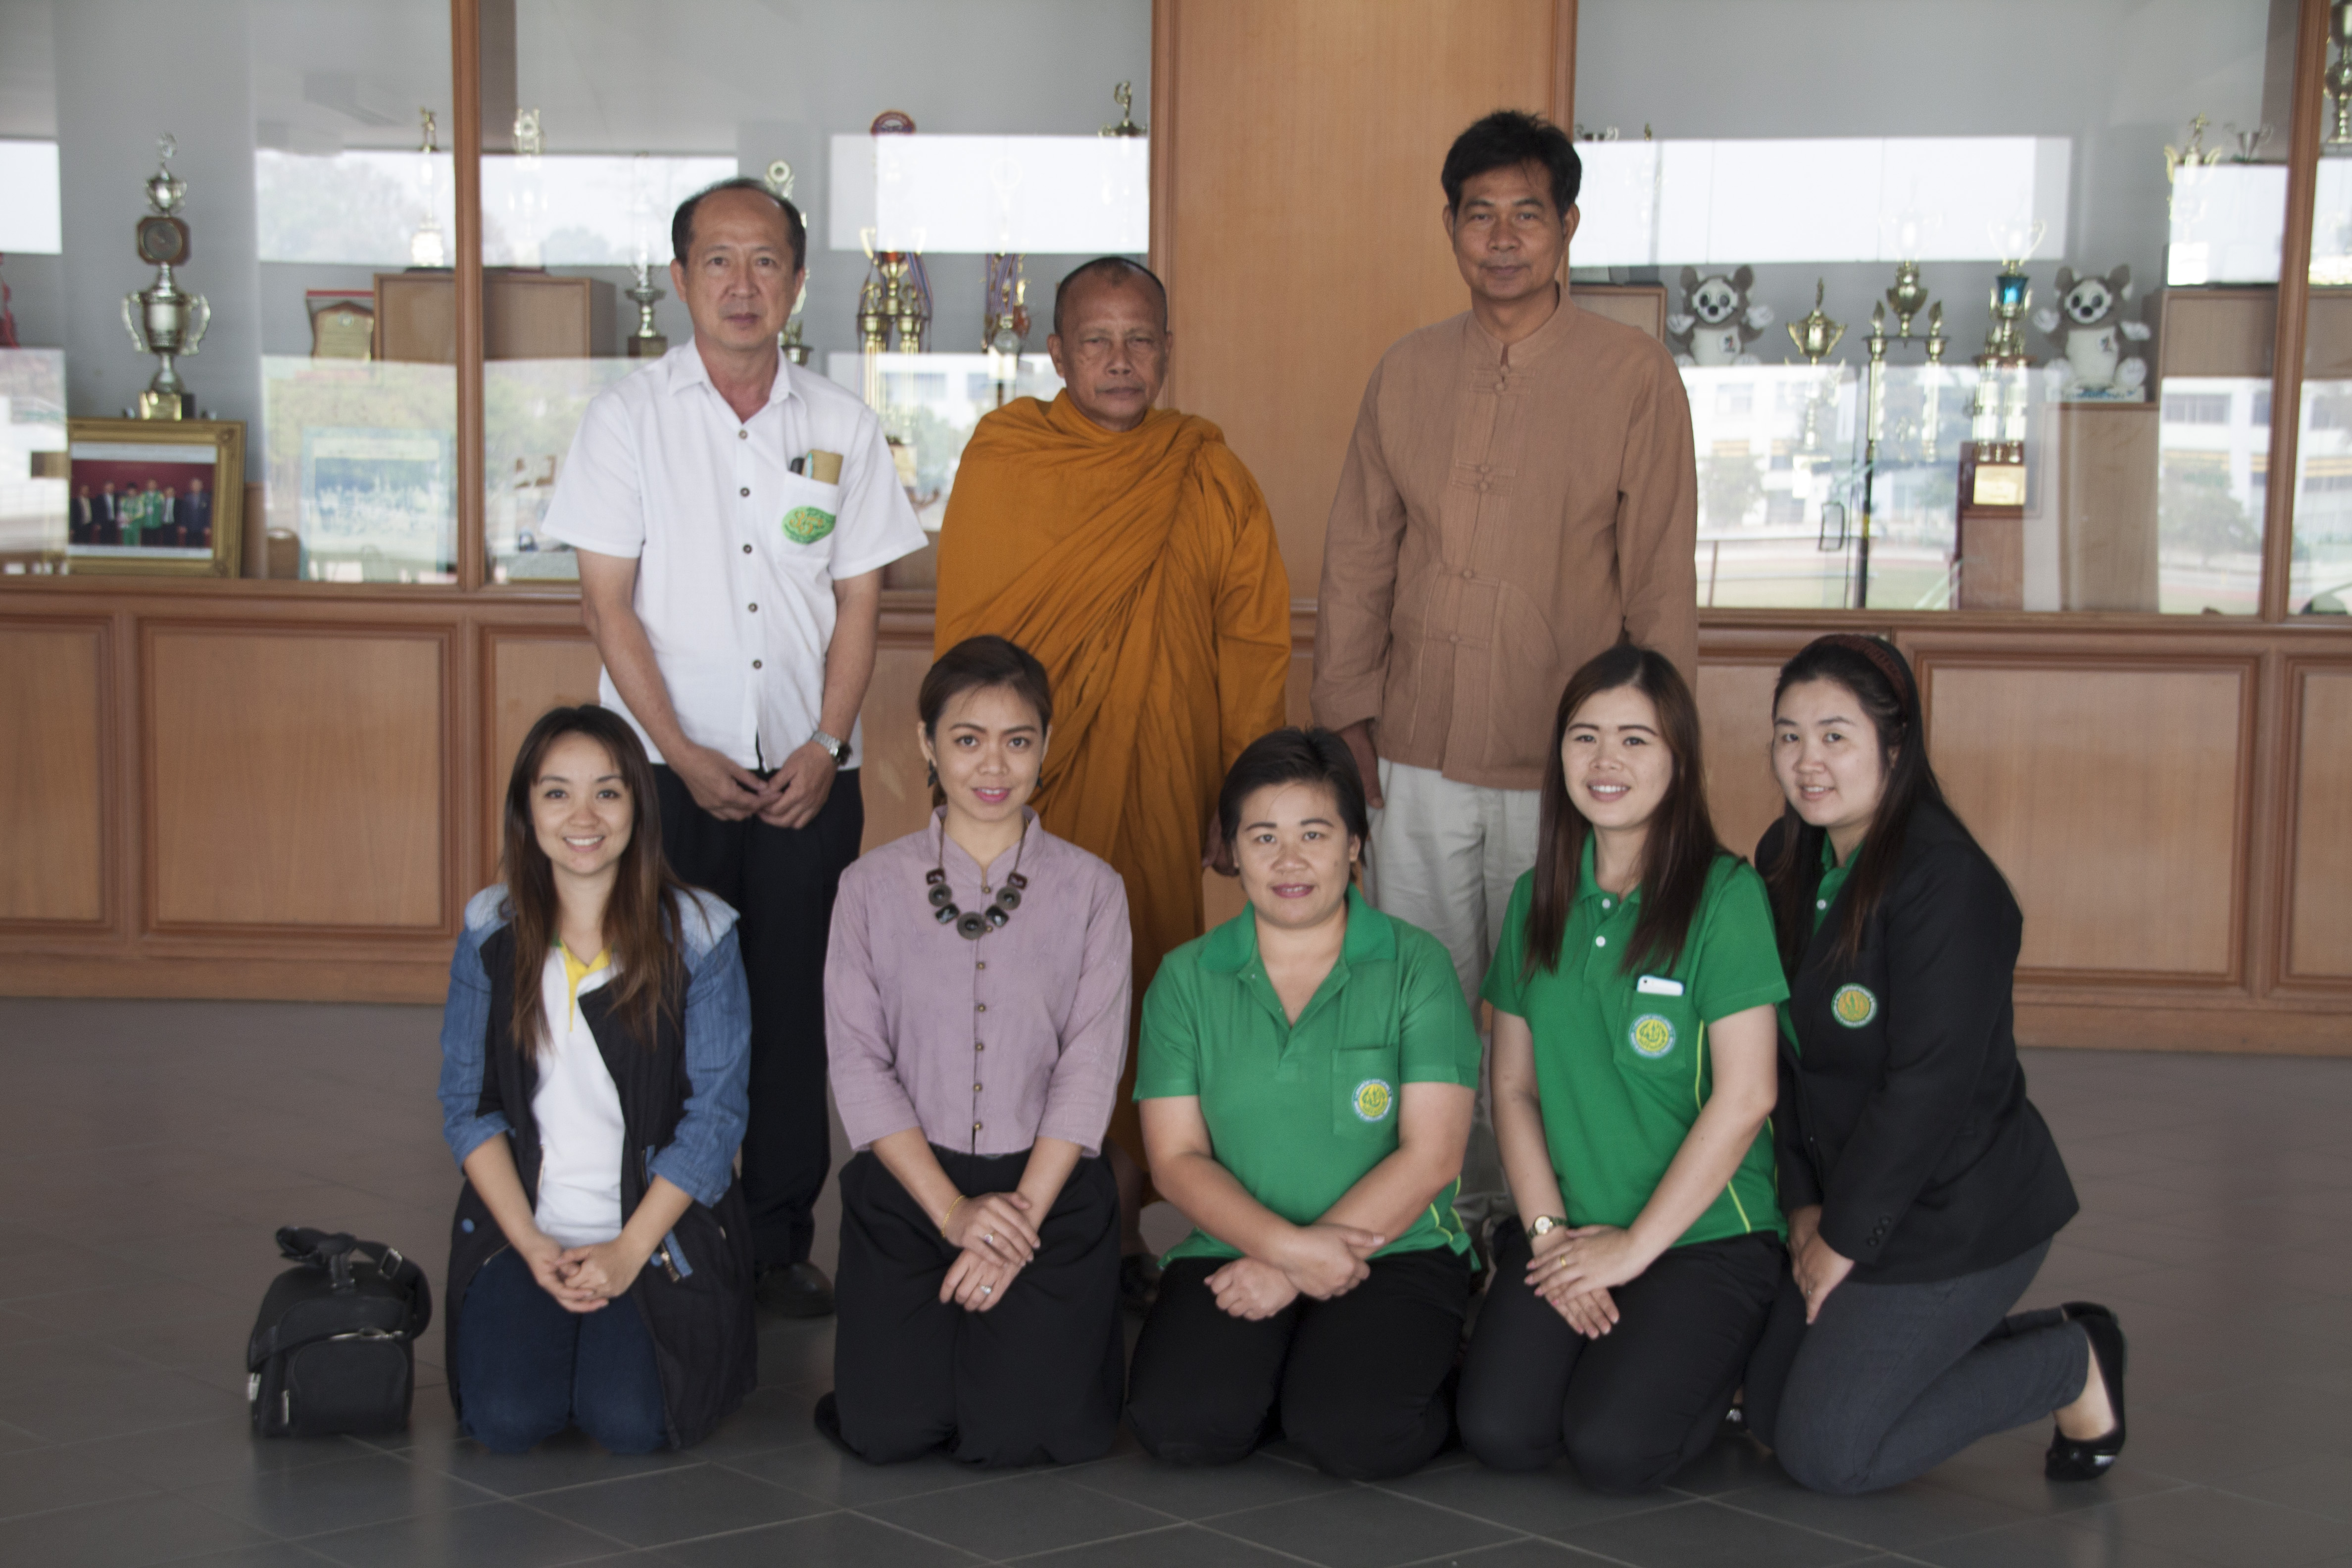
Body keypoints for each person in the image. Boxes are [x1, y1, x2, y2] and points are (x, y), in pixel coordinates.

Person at [1311, 109, 1698, 1236]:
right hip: (1417, 750)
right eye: (1478, 215)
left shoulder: (1631, 375)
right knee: (1424, 993)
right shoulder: (1406, 370)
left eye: (1526, 213)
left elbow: (1657, 573)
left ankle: (1557, 1214)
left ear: (1567, 225)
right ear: (1449, 227)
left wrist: (1655, 752)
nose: (1502, 238)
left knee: (1555, 993)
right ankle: (1441, 1209)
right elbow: (1356, 554)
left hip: (1570, 762)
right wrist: (1346, 718)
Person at [548, 176, 927, 1318]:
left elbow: (859, 602)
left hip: (810, 775)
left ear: (797, 281)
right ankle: (668, 1227)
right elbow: (607, 606)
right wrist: (678, 749)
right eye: (717, 260)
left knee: (794, 1008)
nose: (741, 283)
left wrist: (824, 740)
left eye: (765, 261)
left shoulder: (840, 424)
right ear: (680, 279)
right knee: (658, 1002)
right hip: (664, 776)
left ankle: (774, 1240)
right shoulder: (628, 419)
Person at [933, 255, 1292, 1306]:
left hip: (1161, 780)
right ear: (1057, 352)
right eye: (1097, 339)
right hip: (1023, 793)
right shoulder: (1006, 457)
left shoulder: (1207, 472)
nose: (1121, 360)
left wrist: (1240, 792)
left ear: (1168, 351)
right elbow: (968, 640)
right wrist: (966, 779)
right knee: (1018, 989)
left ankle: (1123, 1223)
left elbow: (1251, 642)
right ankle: (1003, 1207)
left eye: (1141, 340)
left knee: (1142, 989)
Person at [1741, 634, 2126, 1494]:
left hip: (1954, 1209)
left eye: (1835, 735)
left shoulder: (1948, 882)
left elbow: (1929, 1089)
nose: (1807, 761)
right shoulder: (1786, 855)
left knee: (1828, 1454)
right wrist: (1803, 1203)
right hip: (1848, 1190)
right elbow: (1783, 1056)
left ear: (1895, 744)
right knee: (1767, 1412)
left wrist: (1842, 1239)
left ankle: (2071, 1361)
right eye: (1789, 735)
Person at [1455, 646, 1785, 1493]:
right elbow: (1512, 1088)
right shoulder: (1537, 896)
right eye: (1585, 737)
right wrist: (1547, 1237)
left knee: (1614, 1446)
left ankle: (1744, 1356)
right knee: (1500, 1428)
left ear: (1679, 760)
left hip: (1704, 1233)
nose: (1606, 760)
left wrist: (1636, 1248)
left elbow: (1749, 1094)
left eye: (1635, 740)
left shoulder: (1725, 897)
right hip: (1572, 1226)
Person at [1126, 728, 1480, 1480]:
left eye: (1314, 834)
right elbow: (1176, 1159)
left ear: (1354, 843)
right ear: (1233, 850)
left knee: (1357, 1434)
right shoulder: (1186, 978)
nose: (1289, 861)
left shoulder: (1415, 965)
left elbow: (1434, 1154)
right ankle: (1305, 1366)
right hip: (1234, 1245)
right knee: (1182, 1427)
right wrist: (1285, 1252)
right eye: (1264, 837)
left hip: (1396, 1248)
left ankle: (1423, 1360)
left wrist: (1290, 1271)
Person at [817, 636, 1131, 1466]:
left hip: (1046, 1189)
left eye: (1017, 740)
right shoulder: (867, 888)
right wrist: (954, 1213)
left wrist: (1014, 1221)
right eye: (967, 739)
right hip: (911, 1186)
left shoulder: (1094, 890)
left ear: (1045, 746)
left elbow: (1090, 1065)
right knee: (887, 1430)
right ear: (927, 745)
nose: (994, 764)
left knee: (1032, 1434)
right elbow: (859, 1063)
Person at [437, 705, 757, 1454]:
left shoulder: (702, 934)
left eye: (607, 793)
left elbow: (714, 1122)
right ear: (527, 810)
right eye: (557, 793)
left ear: (639, 808)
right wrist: (529, 1243)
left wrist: (626, 1252)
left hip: (653, 1232)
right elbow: (467, 1106)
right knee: (507, 1419)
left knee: (630, 1421)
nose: (583, 817)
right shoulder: (490, 929)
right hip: (531, 1227)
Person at [183, 476, 212, 548]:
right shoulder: (187, 497)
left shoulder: (206, 498)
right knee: (188, 547)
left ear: (201, 486)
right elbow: (184, 513)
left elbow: (209, 513)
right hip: (189, 527)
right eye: (194, 485)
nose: (196, 487)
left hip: (201, 528)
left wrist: (208, 526)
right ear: (191, 486)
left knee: (200, 548)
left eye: (198, 485)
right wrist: (183, 525)